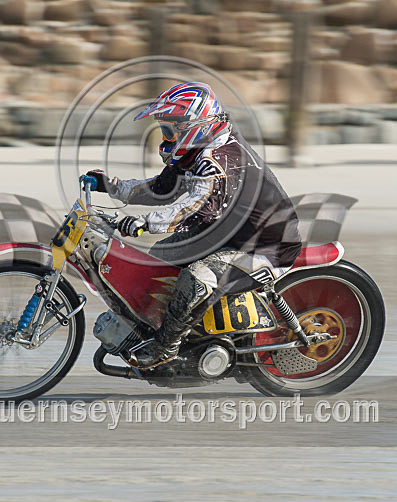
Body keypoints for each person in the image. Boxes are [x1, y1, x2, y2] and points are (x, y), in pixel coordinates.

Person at [86, 82, 301, 368]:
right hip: (230, 235)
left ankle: (166, 348)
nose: (165, 137)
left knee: (197, 277)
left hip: (265, 248)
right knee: (158, 261)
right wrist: (113, 187)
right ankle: (172, 328)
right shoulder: (200, 150)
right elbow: (162, 188)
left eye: (169, 129)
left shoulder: (221, 160)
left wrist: (143, 222)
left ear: (193, 126)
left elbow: (196, 208)